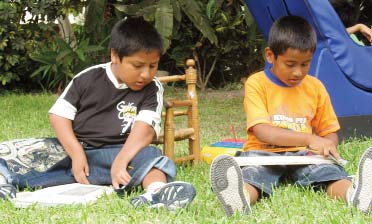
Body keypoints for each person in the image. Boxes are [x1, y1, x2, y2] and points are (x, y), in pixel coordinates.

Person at [0, 18, 196, 210]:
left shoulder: (152, 88)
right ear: (115, 56)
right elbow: (59, 115)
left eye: (152, 66)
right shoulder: (87, 78)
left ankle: (156, 193)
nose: (146, 74)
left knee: (152, 157)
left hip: (118, 154)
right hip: (72, 150)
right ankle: (3, 183)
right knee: (12, 150)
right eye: (137, 66)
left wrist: (121, 161)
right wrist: (76, 153)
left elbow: (144, 130)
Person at [209, 15, 372, 217]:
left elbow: (329, 133)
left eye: (305, 64)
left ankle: (354, 195)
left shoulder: (316, 87)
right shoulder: (256, 83)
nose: (297, 72)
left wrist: (327, 145)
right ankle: (238, 198)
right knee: (252, 176)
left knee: (329, 174)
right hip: (263, 154)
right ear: (270, 55)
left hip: (304, 155)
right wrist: (309, 138)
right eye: (290, 64)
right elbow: (263, 132)